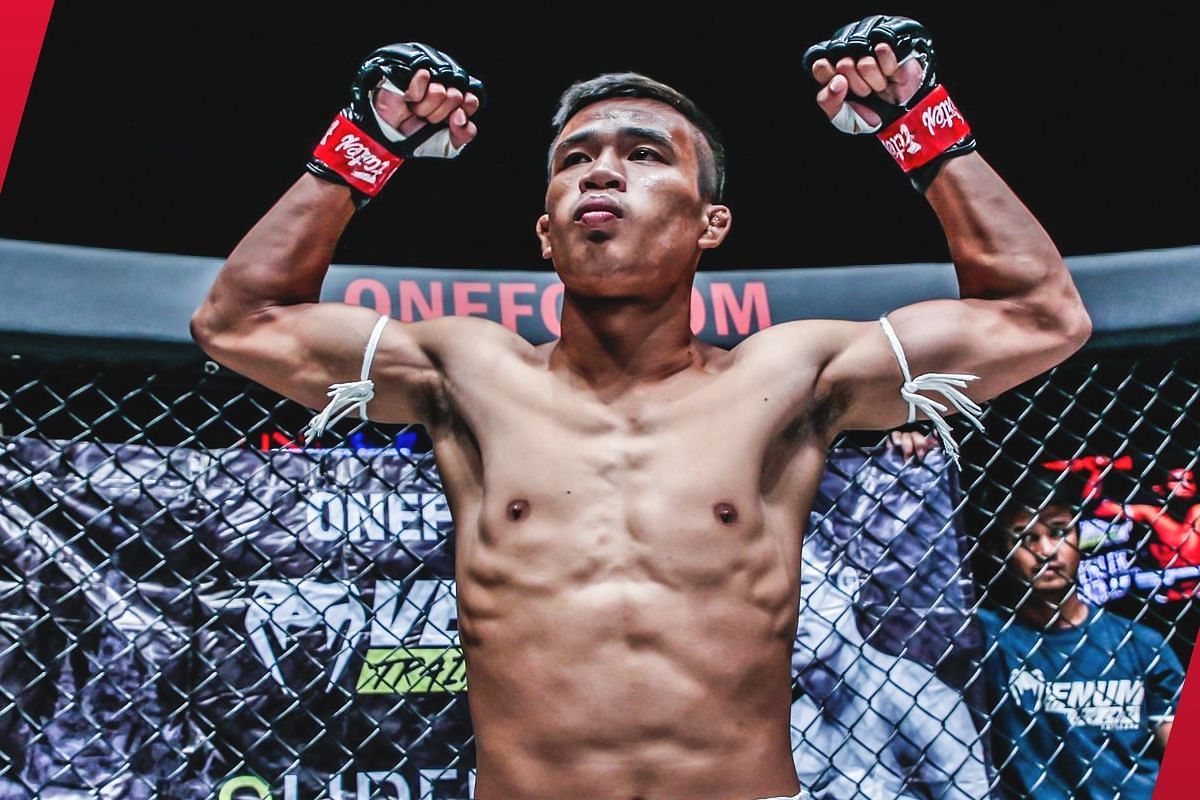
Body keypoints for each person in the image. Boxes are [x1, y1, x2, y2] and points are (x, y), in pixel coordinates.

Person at [191, 16, 1091, 800]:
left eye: (644, 155)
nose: (601, 174)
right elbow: (241, 320)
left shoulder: (789, 378)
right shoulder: (466, 372)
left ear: (711, 223)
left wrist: (919, 122)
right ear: (545, 230)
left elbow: (1039, 317)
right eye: (574, 160)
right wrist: (367, 140)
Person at [976, 473, 1184, 799]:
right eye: (1025, 538)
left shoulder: (1141, 643)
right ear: (1000, 550)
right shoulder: (986, 637)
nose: (1046, 551)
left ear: (1077, 538)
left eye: (1058, 532)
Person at [790, 514, 989, 799]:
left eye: (804, 587)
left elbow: (973, 793)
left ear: (846, 583)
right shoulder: (793, 718)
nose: (790, 611)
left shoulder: (911, 693)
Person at [1048, 455, 1200, 601]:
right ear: (1158, 489)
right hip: (1162, 592)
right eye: (1177, 480)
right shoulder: (1150, 513)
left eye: (1190, 481)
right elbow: (1096, 507)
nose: (1186, 484)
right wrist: (1098, 472)